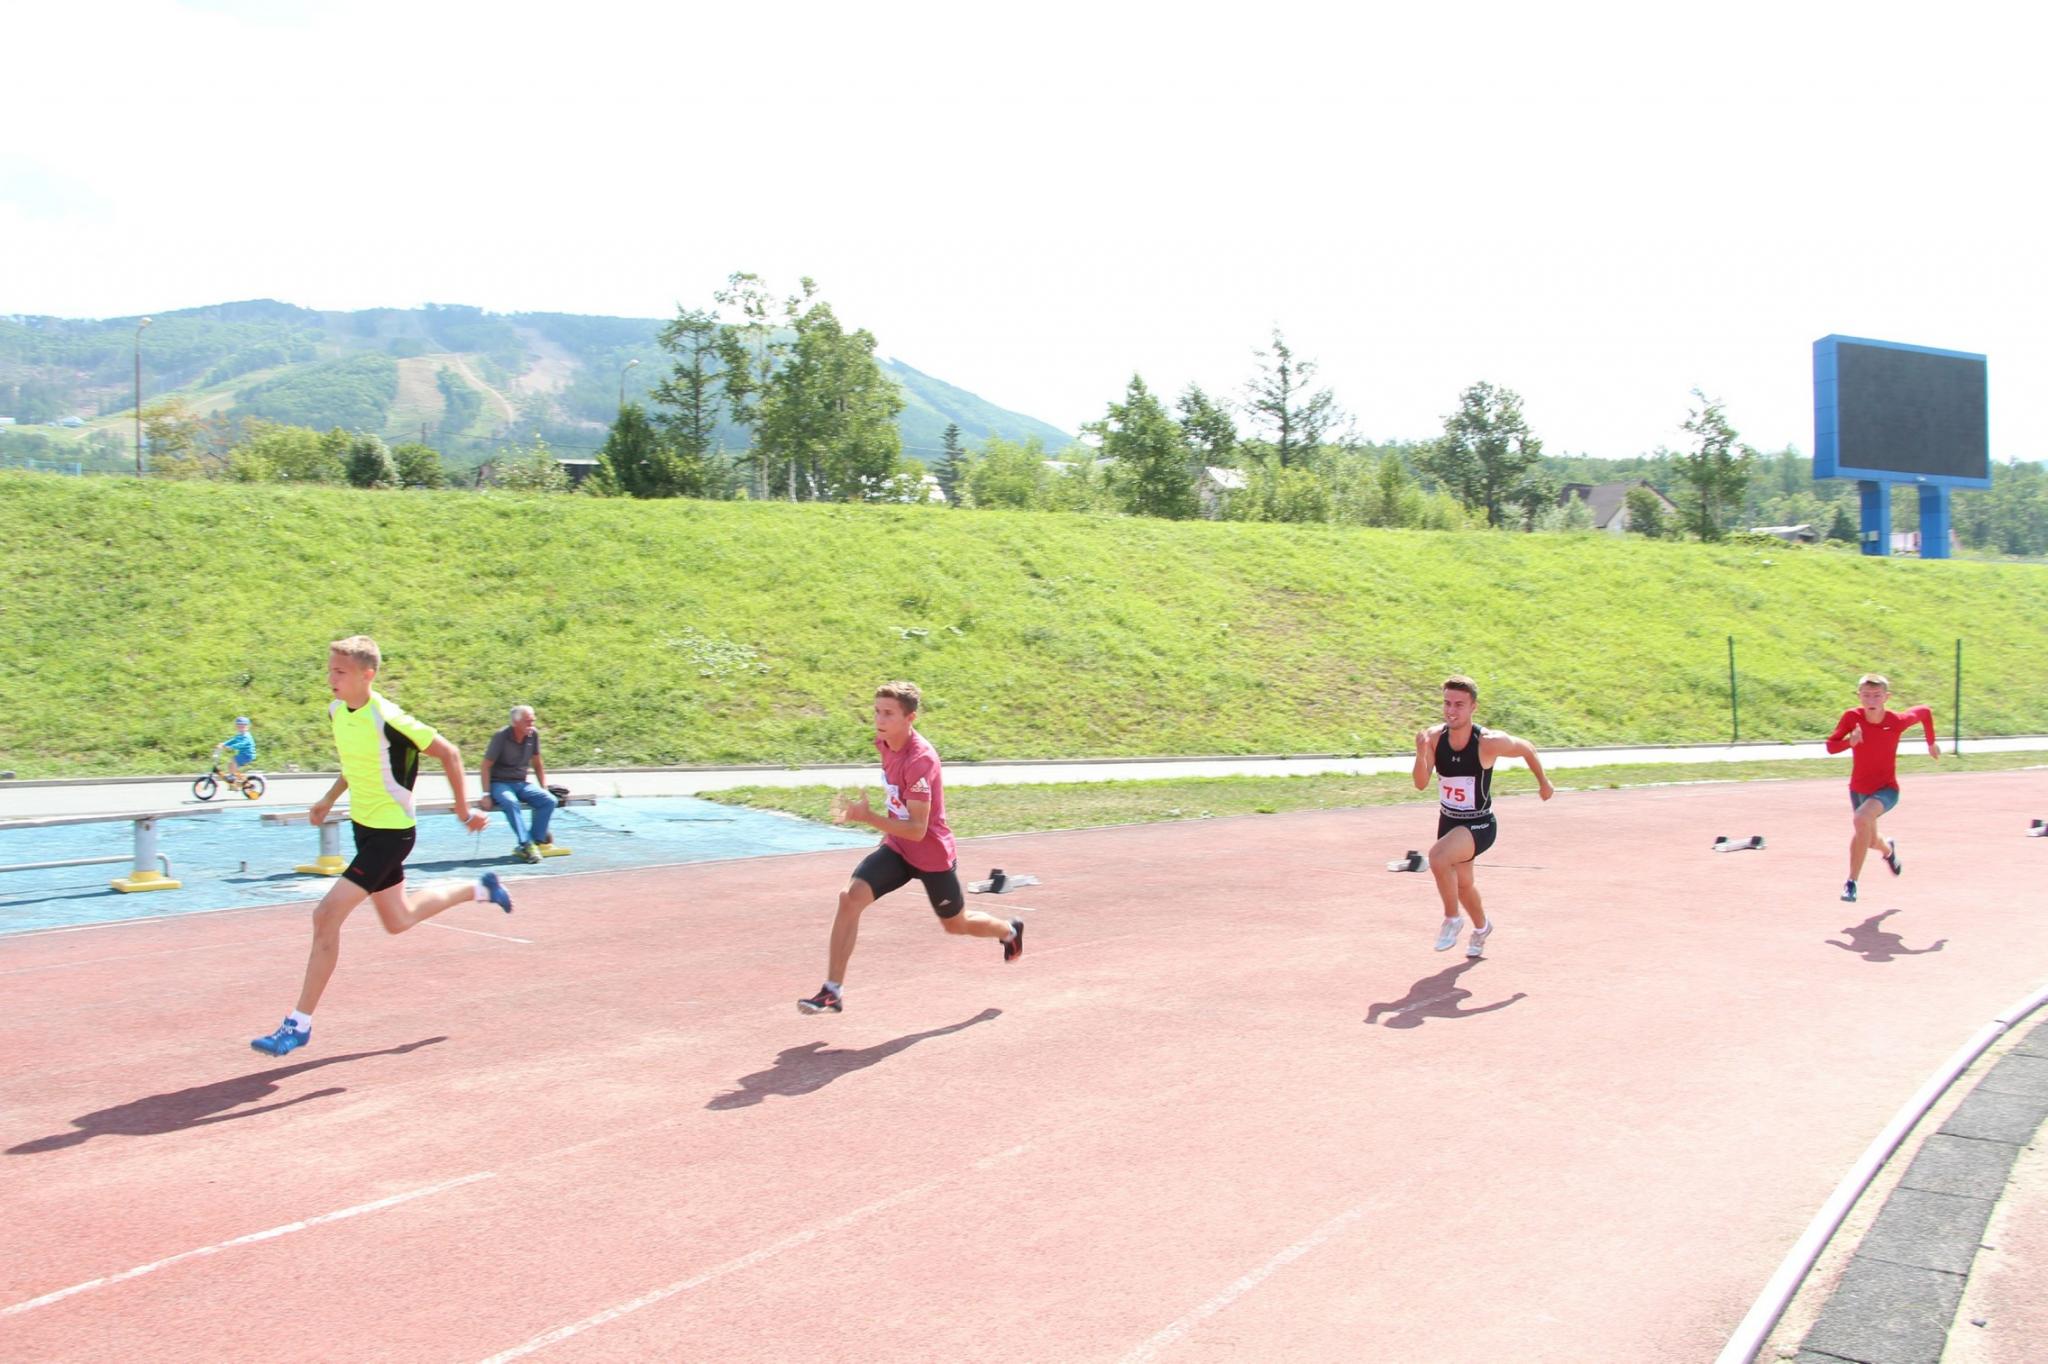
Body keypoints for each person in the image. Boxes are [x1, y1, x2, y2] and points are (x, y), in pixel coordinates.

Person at [251, 636, 513, 1056]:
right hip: (364, 829)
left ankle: (298, 1024)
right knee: (398, 919)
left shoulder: (389, 717)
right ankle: (480, 888)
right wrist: (328, 799)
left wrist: (464, 811)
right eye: (329, 669)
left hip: (392, 835)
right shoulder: (338, 712)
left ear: (366, 674)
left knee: (325, 916)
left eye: (340, 671)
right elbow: (357, 764)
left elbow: (449, 752)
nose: (330, 678)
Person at [797, 681, 1021, 1015]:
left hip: (930, 855)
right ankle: (832, 991)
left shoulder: (921, 761)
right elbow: (898, 804)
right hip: (898, 849)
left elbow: (918, 829)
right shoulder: (885, 743)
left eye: (888, 713)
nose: (879, 719)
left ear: (910, 718)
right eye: (876, 711)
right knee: (849, 898)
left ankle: (1008, 930)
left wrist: (868, 817)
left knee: (955, 924)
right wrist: (882, 827)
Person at [1410, 675, 1554, 958]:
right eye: (1447, 703)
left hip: (1479, 824)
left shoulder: (1488, 742)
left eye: (1459, 705)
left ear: (1473, 707)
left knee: (1438, 857)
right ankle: (1482, 928)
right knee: (1464, 886)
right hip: (1449, 821)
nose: (1451, 711)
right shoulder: (1435, 738)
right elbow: (1420, 783)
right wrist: (1420, 750)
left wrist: (1544, 782)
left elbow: (1527, 748)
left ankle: (1452, 919)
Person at [1825, 673, 1937, 903]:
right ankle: (1888, 850)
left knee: (1860, 819)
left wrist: (1930, 742)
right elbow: (1830, 746)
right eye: (1866, 695)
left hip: (1887, 789)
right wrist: (1850, 742)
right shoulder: (1851, 718)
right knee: (1870, 838)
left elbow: (1924, 711)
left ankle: (1851, 882)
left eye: (1876, 695)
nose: (1871, 700)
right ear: (1859, 696)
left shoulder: (1895, 721)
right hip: (1858, 789)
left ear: (1887, 697)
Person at [483, 705, 556, 863]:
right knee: (510, 802)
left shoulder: (533, 735)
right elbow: (485, 765)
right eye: (527, 722)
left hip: (521, 782)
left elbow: (537, 762)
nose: (531, 725)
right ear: (516, 722)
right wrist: (486, 794)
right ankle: (526, 844)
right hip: (499, 783)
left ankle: (535, 840)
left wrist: (544, 786)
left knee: (549, 800)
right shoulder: (501, 737)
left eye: (533, 721)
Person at [215, 716, 256, 786]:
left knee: (233, 760)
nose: (241, 728)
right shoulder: (240, 735)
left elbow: (241, 744)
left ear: (247, 727)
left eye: (243, 726)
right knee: (230, 764)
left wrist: (231, 747)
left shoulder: (246, 736)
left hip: (247, 755)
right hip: (243, 754)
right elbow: (233, 740)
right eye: (239, 726)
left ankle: (233, 777)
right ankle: (235, 781)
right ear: (236, 727)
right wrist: (223, 744)